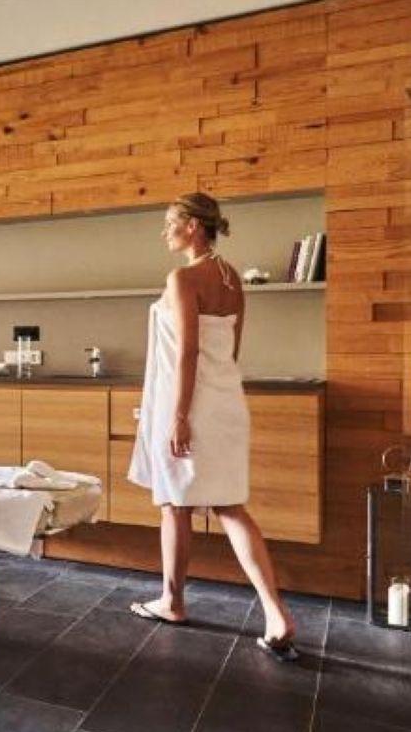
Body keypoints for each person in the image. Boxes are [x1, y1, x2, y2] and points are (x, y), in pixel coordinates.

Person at [127, 192, 300, 660]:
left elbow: (187, 352)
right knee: (230, 507)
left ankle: (172, 602)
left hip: (190, 406)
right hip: (226, 404)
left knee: (174, 505)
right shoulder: (231, 279)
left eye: (170, 222)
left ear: (193, 226)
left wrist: (179, 416)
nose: (164, 231)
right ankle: (275, 612)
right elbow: (231, 351)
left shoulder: (182, 278)